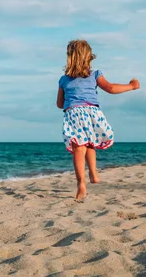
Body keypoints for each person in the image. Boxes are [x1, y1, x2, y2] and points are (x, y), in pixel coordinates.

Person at [56, 39, 140, 201]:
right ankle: (93, 174)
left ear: (69, 57)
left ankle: (81, 184)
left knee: (79, 147)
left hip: (73, 113)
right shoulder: (95, 74)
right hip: (92, 112)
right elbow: (110, 88)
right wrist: (131, 86)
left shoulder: (64, 79)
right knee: (90, 142)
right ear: (89, 57)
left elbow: (59, 104)